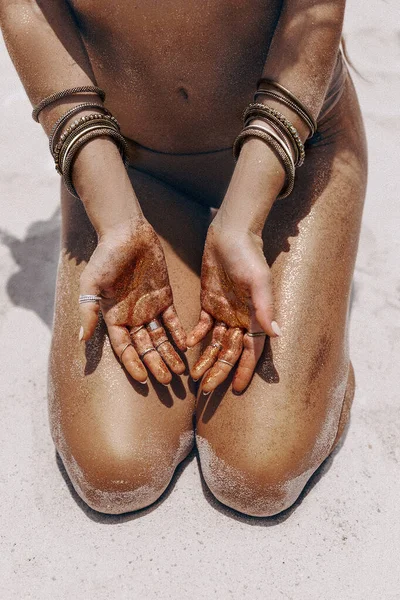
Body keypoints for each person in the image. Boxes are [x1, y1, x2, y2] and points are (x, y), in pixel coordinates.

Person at [0, 0, 367, 517]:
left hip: (294, 150)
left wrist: (242, 221)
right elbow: (26, 10)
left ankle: (320, 350)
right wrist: (114, 216)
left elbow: (316, 15)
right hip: (131, 166)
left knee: (257, 475)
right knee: (115, 469)